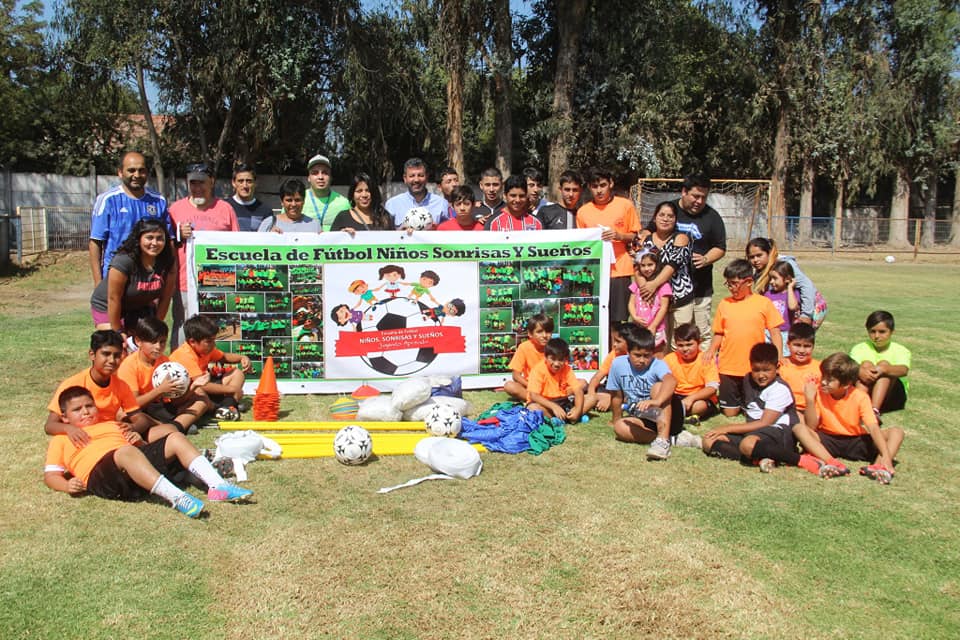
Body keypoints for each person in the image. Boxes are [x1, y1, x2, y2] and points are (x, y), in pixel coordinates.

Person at [44, 386, 252, 519]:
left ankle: (218, 486)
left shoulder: (111, 425)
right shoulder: (61, 439)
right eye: (77, 409)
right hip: (102, 477)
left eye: (89, 406)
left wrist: (138, 439)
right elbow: (51, 476)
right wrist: (66, 486)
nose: (85, 412)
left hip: (131, 464)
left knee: (175, 437)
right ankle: (178, 498)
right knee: (125, 452)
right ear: (64, 417)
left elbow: (139, 452)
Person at [44, 330, 172, 446]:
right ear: (92, 355)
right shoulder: (72, 384)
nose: (112, 360)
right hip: (85, 439)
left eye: (117, 355)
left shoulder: (121, 385)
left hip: (113, 434)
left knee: (171, 432)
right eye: (106, 354)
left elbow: (140, 418)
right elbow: (50, 425)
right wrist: (69, 429)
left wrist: (133, 428)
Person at [792, 352, 904, 483]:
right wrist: (810, 400)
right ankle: (832, 462)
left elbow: (873, 427)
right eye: (823, 377)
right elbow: (811, 426)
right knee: (799, 428)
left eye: (830, 380)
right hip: (828, 438)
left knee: (897, 432)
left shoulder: (860, 397)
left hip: (855, 440)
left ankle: (880, 465)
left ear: (846, 384)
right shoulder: (818, 392)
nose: (823, 382)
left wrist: (885, 454)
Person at [646, 174, 726, 348]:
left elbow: (720, 247)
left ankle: (703, 364)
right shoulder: (669, 211)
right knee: (665, 335)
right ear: (684, 192)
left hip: (700, 286)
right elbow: (648, 231)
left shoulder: (712, 217)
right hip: (666, 288)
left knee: (701, 333)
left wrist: (706, 258)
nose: (699, 201)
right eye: (695, 196)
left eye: (704, 197)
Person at [700, 343, 805, 474]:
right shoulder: (748, 379)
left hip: (777, 432)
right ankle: (759, 459)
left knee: (748, 444)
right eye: (756, 370)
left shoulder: (780, 389)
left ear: (777, 368)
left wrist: (727, 428)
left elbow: (765, 423)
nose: (761, 375)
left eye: (766, 370)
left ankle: (799, 460)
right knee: (708, 441)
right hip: (753, 432)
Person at [168, 162, 240, 347]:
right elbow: (164, 243)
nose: (197, 188)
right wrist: (178, 235)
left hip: (219, 282)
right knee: (183, 326)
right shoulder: (175, 209)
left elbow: (237, 245)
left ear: (212, 182)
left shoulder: (225, 209)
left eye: (202, 182)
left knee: (215, 327)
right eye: (193, 183)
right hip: (185, 282)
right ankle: (179, 362)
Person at [703, 259, 784, 417]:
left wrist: (779, 356)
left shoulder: (763, 303)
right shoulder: (724, 304)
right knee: (730, 413)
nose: (731, 288)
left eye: (734, 283)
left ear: (748, 282)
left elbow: (775, 332)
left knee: (752, 412)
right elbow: (719, 332)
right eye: (728, 284)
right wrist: (711, 350)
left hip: (753, 368)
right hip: (728, 367)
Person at [116, 317, 213, 435]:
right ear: (138, 341)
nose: (158, 346)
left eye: (162, 342)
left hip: (160, 407)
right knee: (127, 416)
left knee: (202, 399)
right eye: (153, 342)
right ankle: (175, 425)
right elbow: (132, 404)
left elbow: (175, 401)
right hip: (140, 410)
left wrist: (194, 386)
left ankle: (173, 426)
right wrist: (159, 390)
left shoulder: (164, 361)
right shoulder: (129, 366)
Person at [89, 151, 171, 286]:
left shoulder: (158, 201)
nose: (137, 175)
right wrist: (98, 283)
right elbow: (95, 243)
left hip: (149, 278)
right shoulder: (107, 200)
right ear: (120, 172)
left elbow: (168, 241)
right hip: (115, 276)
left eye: (141, 170)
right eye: (131, 170)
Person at [89, 218, 176, 340]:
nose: (155, 243)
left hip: (140, 307)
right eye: (149, 238)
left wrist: (155, 326)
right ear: (139, 239)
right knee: (116, 344)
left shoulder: (167, 261)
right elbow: (114, 298)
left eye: (160, 238)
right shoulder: (124, 261)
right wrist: (118, 331)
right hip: (108, 306)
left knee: (147, 342)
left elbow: (166, 298)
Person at [576, 167, 641, 328]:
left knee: (618, 321)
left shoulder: (625, 205)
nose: (599, 190)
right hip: (594, 273)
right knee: (595, 319)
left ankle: (616, 345)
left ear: (611, 183)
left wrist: (619, 236)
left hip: (620, 271)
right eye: (594, 186)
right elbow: (582, 244)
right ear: (589, 187)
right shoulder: (583, 212)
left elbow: (635, 236)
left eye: (603, 185)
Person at [606, 323, 678, 461]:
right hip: (642, 417)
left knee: (658, 386)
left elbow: (671, 381)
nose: (642, 360)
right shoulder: (618, 364)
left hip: (666, 413)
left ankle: (663, 441)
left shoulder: (658, 364)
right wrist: (615, 419)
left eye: (647, 356)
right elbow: (616, 395)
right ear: (628, 352)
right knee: (620, 427)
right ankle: (667, 439)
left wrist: (656, 401)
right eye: (637, 355)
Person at [631, 201, 694, 348]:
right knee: (658, 343)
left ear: (675, 220)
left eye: (670, 216)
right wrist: (645, 290)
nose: (665, 219)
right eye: (662, 215)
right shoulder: (644, 239)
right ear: (654, 217)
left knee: (680, 343)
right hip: (652, 301)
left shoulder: (681, 238)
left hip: (679, 298)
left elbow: (672, 266)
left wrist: (653, 285)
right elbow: (636, 267)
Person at [169, 315, 252, 422]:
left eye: (213, 340)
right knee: (199, 391)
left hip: (205, 388)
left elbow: (224, 357)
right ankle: (219, 408)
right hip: (187, 394)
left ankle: (226, 406)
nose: (213, 344)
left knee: (237, 374)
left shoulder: (206, 349)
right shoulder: (184, 355)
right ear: (192, 342)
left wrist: (242, 357)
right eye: (209, 341)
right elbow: (201, 385)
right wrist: (232, 389)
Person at [746, 237, 824, 326]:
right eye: (751, 257)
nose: (755, 260)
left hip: (810, 307)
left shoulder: (784, 265)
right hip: (785, 310)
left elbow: (806, 285)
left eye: (759, 255)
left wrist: (806, 315)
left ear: (769, 252)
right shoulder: (760, 272)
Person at [850, 310, 910, 420]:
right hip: (867, 389)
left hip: (893, 395)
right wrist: (861, 371)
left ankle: (874, 411)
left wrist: (883, 369)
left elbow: (904, 370)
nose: (876, 336)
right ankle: (857, 407)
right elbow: (849, 367)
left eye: (882, 332)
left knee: (884, 365)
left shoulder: (901, 350)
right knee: (865, 365)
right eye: (872, 331)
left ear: (892, 331)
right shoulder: (859, 348)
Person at [663, 323, 719, 428]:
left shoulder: (706, 359)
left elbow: (712, 388)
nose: (685, 349)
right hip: (677, 395)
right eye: (680, 345)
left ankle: (676, 413)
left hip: (699, 396)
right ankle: (681, 413)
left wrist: (691, 398)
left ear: (699, 342)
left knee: (700, 406)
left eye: (689, 345)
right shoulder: (669, 359)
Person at [526, 338, 591, 423]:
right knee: (532, 408)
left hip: (563, 402)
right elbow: (533, 395)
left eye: (560, 360)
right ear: (545, 357)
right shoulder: (537, 370)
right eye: (552, 359)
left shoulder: (567, 369)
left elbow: (578, 390)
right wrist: (554, 407)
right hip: (544, 403)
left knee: (592, 398)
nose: (556, 364)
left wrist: (578, 409)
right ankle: (564, 418)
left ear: (565, 359)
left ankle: (571, 416)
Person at [386, 158, 450, 229]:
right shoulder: (392, 205)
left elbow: (450, 231)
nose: (416, 180)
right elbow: (384, 233)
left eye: (421, 175)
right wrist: (400, 233)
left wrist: (436, 229)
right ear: (405, 178)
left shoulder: (442, 204)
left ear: (427, 177)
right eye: (412, 176)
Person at [628, 249, 671, 352]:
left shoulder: (663, 286)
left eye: (650, 265)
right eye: (643, 265)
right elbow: (631, 303)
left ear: (657, 265)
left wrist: (654, 326)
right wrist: (634, 317)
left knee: (657, 353)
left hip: (656, 329)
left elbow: (664, 307)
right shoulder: (636, 284)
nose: (646, 269)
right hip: (638, 328)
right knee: (639, 352)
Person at [503, 313, 553, 402]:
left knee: (579, 383)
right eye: (539, 332)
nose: (545, 335)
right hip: (532, 386)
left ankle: (542, 401)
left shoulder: (555, 347)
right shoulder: (524, 347)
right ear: (530, 334)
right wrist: (532, 386)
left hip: (552, 386)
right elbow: (516, 375)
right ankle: (542, 401)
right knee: (509, 386)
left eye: (548, 331)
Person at [777, 323, 821, 414]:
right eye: (797, 345)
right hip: (787, 410)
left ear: (813, 346)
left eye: (807, 346)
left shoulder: (820, 368)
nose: (801, 351)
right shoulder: (781, 366)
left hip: (812, 410)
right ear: (788, 344)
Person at [585, 322, 629, 412]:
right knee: (587, 390)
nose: (614, 344)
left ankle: (609, 401)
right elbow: (598, 376)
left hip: (626, 392)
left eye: (618, 341)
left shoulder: (634, 358)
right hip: (610, 389)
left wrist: (611, 397)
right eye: (614, 341)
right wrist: (591, 392)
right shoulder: (613, 354)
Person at [302, 154, 350, 230]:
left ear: (331, 177)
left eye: (325, 173)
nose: (320, 177)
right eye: (315, 173)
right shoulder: (297, 200)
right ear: (309, 178)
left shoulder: (344, 203)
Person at [763, 261, 798, 355]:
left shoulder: (793, 294)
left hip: (784, 333)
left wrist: (790, 287)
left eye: (775, 278)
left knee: (782, 357)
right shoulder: (768, 294)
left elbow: (792, 306)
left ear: (787, 279)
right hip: (768, 332)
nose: (771, 282)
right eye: (770, 278)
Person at [226, 163, 274, 232]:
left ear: (256, 183)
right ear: (233, 183)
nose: (245, 186)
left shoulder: (266, 211)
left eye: (249, 181)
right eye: (240, 181)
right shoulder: (224, 207)